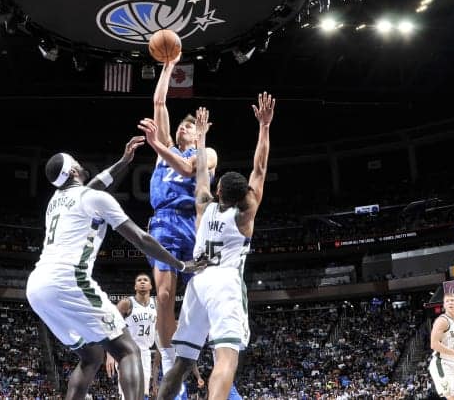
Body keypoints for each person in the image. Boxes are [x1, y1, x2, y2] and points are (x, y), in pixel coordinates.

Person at [26, 148, 205, 400]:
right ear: (74, 171)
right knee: (128, 350)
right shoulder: (94, 199)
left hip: (36, 287)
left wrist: (123, 162)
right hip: (67, 280)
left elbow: (94, 185)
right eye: (77, 162)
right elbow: (142, 239)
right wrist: (181, 265)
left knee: (91, 356)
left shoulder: (55, 201)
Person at [154, 92, 275, 400]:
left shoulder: (203, 205)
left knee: (182, 363)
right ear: (245, 196)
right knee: (226, 358)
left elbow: (200, 174)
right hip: (225, 282)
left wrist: (203, 136)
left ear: (218, 190)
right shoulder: (245, 214)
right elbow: (260, 169)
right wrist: (264, 127)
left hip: (198, 282)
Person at [146, 58, 219, 390]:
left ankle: (208, 360)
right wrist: (168, 65)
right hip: (163, 222)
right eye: (179, 127)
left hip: (193, 224)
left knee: (201, 296)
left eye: (188, 127)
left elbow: (190, 170)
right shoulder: (165, 151)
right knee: (163, 295)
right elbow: (159, 102)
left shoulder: (207, 154)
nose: (181, 129)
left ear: (198, 131)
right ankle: (169, 363)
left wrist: (163, 145)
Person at [105, 273, 161, 400]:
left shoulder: (156, 304)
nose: (142, 282)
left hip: (145, 352)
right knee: (128, 394)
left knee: (143, 394)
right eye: (139, 280)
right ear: (135, 286)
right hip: (126, 352)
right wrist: (110, 354)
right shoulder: (127, 303)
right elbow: (110, 323)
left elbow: (158, 329)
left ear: (151, 286)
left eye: (145, 280)